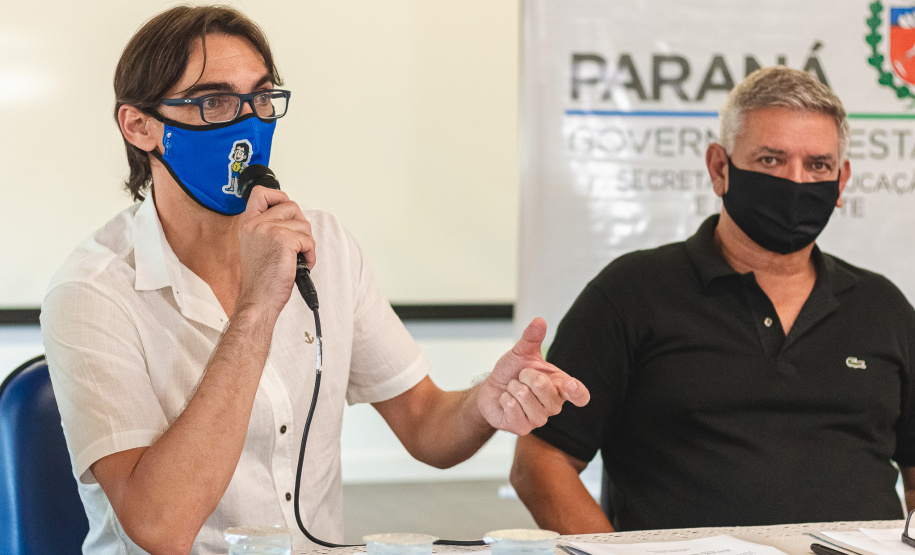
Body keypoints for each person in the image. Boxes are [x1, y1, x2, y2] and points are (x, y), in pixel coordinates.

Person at [40, 6, 590, 554]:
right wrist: (256, 307)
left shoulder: (323, 243)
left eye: (261, 97)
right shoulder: (92, 292)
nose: (249, 122)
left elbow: (425, 427)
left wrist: (482, 403)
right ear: (140, 126)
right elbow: (160, 528)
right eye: (214, 102)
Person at [510, 66, 915, 533]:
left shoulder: (882, 307)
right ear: (719, 168)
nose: (796, 182)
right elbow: (541, 459)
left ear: (841, 181)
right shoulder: (630, 293)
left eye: (817, 166)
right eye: (770, 160)